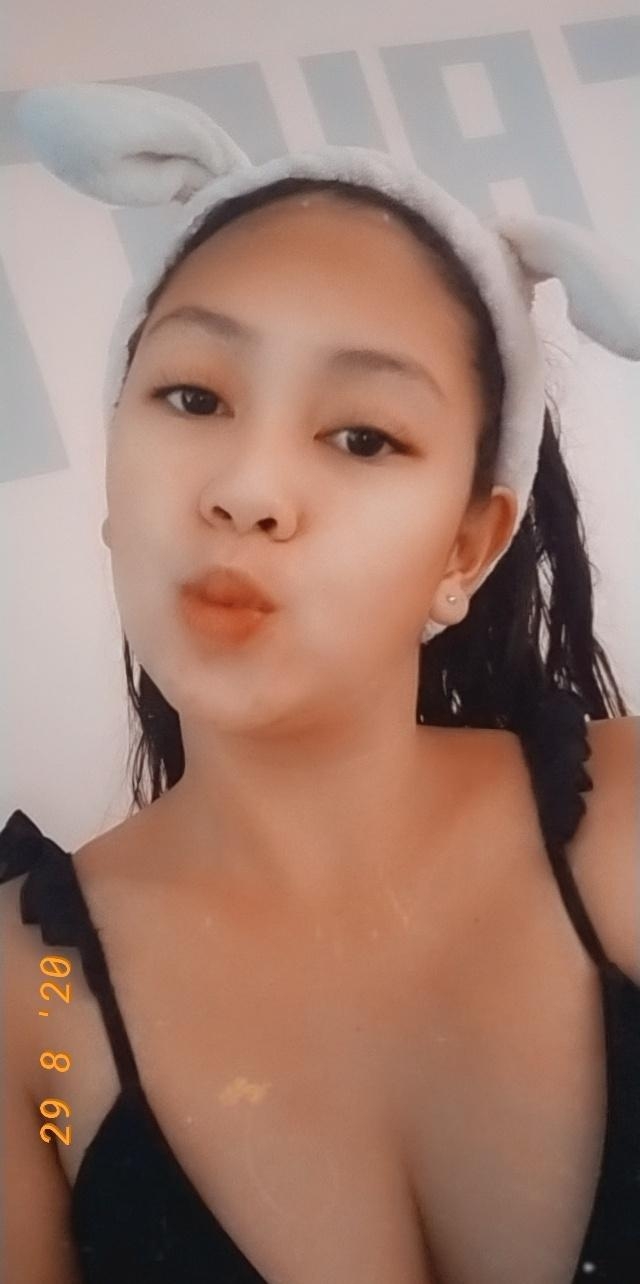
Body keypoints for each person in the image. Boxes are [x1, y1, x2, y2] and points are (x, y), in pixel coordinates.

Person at [2, 82, 639, 1284]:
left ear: (467, 548)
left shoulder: (629, 832)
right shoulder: (24, 1003)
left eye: (362, 436)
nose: (246, 490)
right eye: (193, 397)